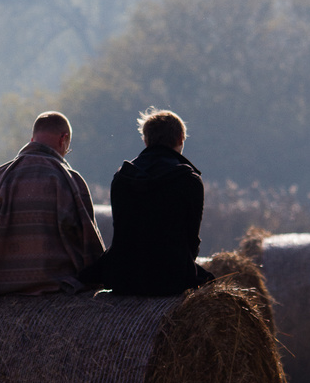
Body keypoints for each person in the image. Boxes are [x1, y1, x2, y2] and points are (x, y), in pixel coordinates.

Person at [0, 111, 104, 310]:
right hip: (55, 287)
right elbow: (89, 243)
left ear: (33, 138)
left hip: (0, 288)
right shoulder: (70, 180)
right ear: (64, 139)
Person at [81, 108, 214, 296]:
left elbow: (121, 232)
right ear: (180, 139)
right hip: (169, 280)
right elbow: (191, 240)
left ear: (145, 140)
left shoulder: (122, 178)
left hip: (123, 277)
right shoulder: (189, 180)